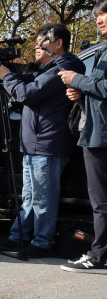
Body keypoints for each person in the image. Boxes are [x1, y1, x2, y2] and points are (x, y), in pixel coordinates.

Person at [0, 23, 85, 258]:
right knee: (30, 197)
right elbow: (27, 81)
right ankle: (19, 237)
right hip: (34, 142)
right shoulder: (48, 68)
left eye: (41, 41)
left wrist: (6, 77)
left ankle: (42, 242)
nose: (36, 46)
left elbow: (27, 94)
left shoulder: (66, 67)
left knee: (43, 198)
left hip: (49, 142)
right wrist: (10, 70)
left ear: (58, 42)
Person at [58, 0, 107, 274]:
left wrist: (77, 80)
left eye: (103, 15)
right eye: (97, 16)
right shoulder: (102, 51)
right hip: (96, 132)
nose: (99, 20)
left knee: (101, 202)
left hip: (102, 136)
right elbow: (99, 91)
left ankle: (99, 256)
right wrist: (81, 94)